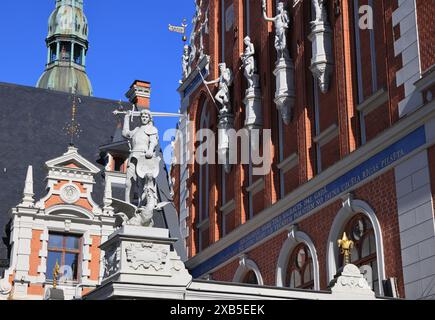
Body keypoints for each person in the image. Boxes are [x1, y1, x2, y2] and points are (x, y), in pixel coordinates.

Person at [122, 109, 160, 206]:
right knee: (128, 181)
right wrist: (126, 117)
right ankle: (127, 203)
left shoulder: (152, 129)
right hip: (133, 155)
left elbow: (153, 141)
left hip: (144, 157)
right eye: (142, 116)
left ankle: (142, 203)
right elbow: (125, 133)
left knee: (142, 181)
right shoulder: (136, 129)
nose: (144, 118)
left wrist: (150, 150)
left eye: (146, 117)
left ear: (149, 118)